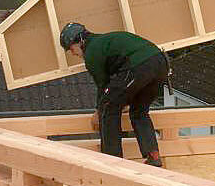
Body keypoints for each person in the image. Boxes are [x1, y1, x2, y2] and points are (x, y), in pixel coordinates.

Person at [59, 22, 167, 167]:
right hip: (161, 63)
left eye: (71, 49)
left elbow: (104, 87)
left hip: (139, 65)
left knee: (108, 109)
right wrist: (122, 101)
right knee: (139, 112)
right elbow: (119, 86)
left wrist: (98, 111)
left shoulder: (91, 53)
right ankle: (153, 156)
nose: (72, 53)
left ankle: (112, 163)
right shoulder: (103, 42)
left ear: (79, 41)